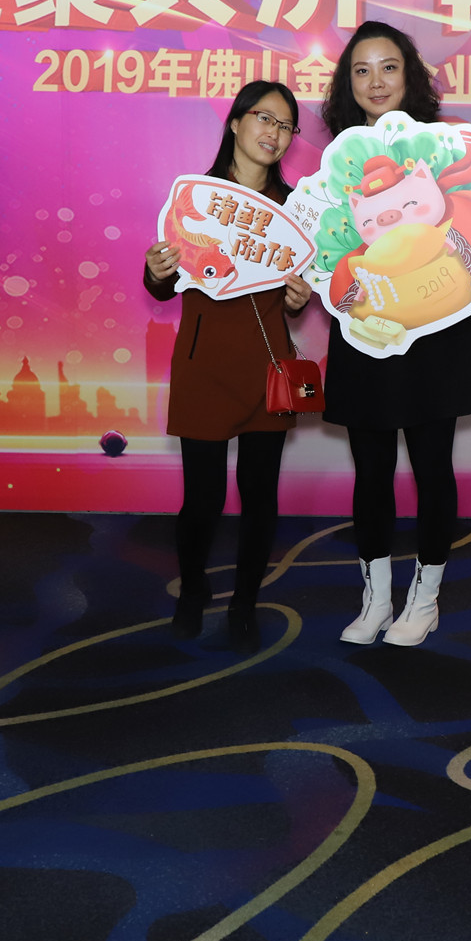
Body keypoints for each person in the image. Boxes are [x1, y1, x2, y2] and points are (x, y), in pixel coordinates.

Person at [319, 21, 471, 647]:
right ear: (347, 84)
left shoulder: (446, 149)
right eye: (362, 70)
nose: (376, 81)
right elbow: (321, 251)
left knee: (433, 468)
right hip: (367, 334)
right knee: (371, 473)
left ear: (409, 75)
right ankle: (375, 599)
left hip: (437, 336)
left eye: (388, 67)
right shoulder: (335, 167)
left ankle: (425, 599)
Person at [144, 80, 311, 649]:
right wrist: (156, 271)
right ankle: (192, 591)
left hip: (267, 367)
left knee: (260, 496)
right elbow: (164, 283)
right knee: (203, 499)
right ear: (236, 122)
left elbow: (300, 291)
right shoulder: (196, 199)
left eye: (285, 125)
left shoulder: (295, 211)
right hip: (204, 363)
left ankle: (245, 603)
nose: (274, 132)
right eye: (264, 118)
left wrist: (300, 298)